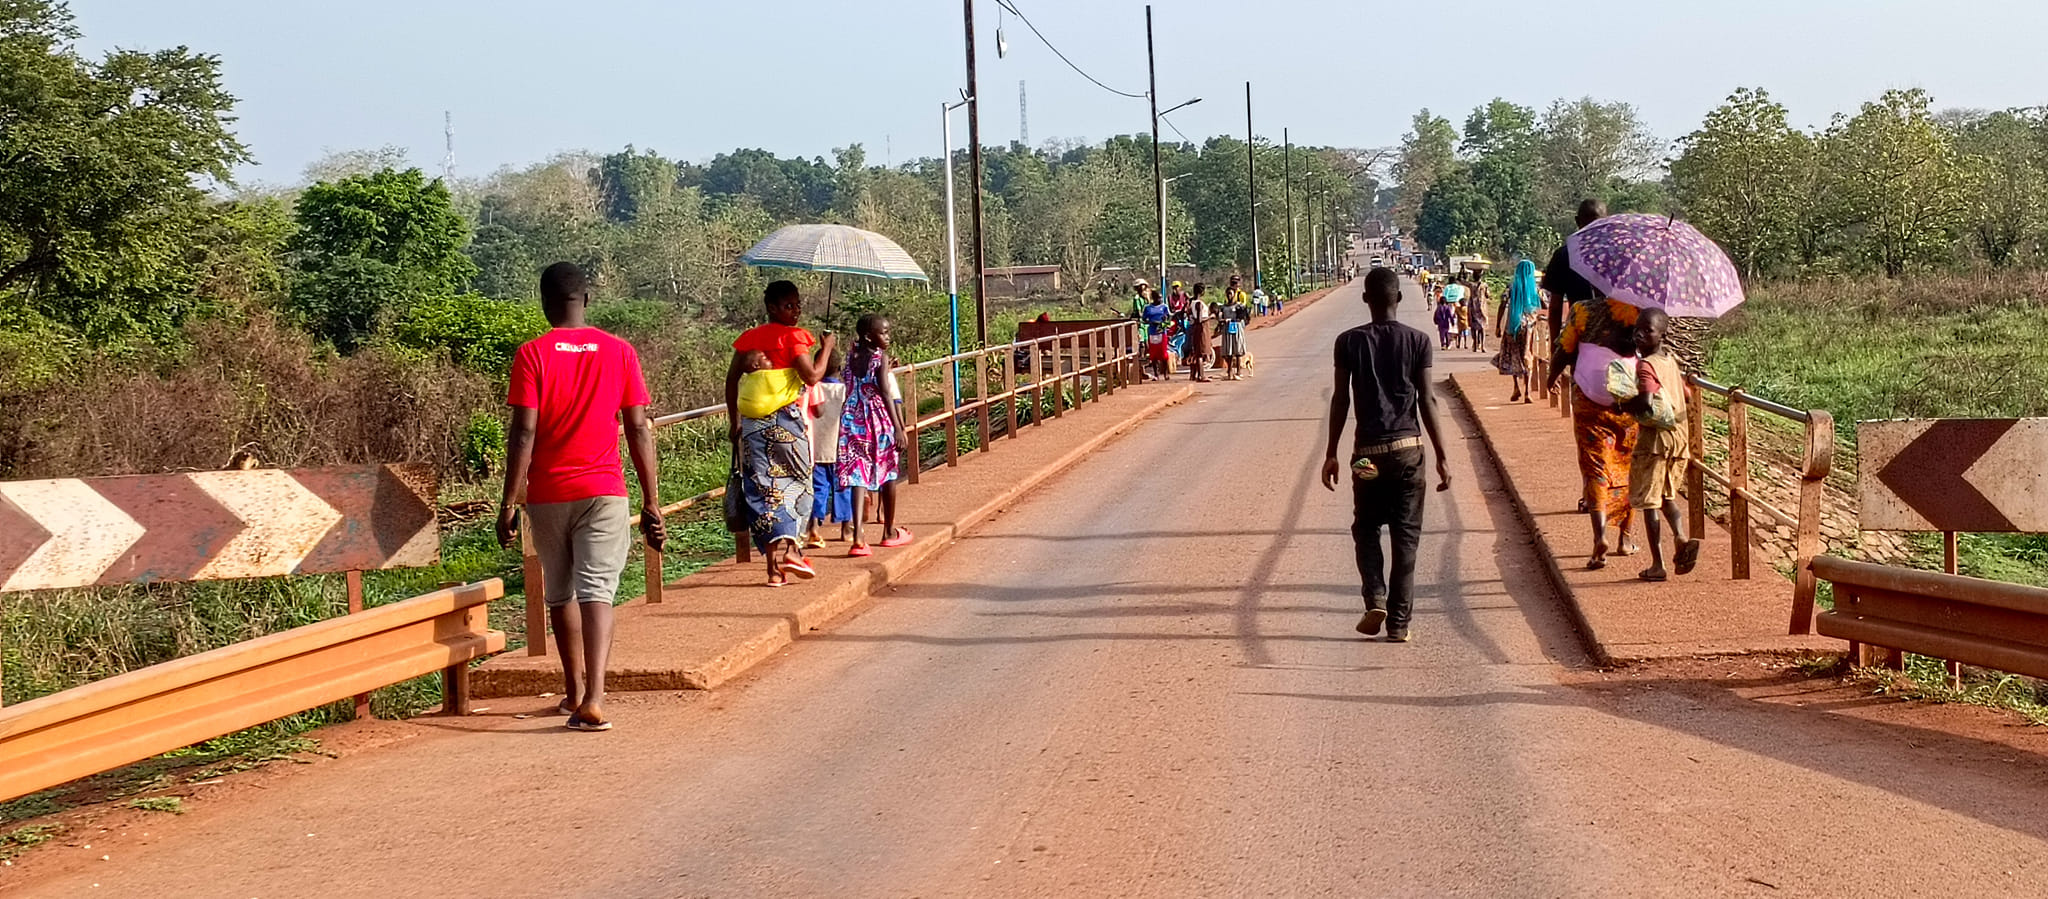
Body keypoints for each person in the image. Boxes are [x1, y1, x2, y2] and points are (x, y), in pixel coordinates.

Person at [497, 261, 665, 733]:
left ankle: (572, 691)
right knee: (598, 592)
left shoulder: (532, 353)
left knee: (560, 592)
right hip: (604, 490)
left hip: (548, 493)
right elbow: (637, 426)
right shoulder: (619, 351)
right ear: (585, 300)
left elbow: (524, 430)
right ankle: (594, 697)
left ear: (545, 303)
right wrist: (651, 500)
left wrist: (509, 501)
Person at [1322, 268, 1451, 643]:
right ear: (1399, 298)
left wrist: (1331, 452)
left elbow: (1340, 400)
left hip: (1367, 455)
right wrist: (1442, 455)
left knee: (1365, 528)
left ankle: (1375, 596)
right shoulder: (1418, 341)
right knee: (1405, 538)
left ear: (1366, 299)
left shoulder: (1348, 342)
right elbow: (1427, 400)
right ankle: (1398, 623)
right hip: (1409, 451)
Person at [726, 280, 835, 587]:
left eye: (798, 305)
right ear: (772, 308)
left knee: (763, 491)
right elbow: (812, 376)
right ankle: (794, 551)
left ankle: (773, 570)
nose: (795, 311)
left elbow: (731, 380)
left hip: (752, 427)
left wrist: (734, 420)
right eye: (789, 305)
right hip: (786, 422)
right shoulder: (794, 338)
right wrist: (826, 348)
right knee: (799, 484)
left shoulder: (749, 339)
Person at [1551, 291, 1643, 570]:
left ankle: (1599, 536)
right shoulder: (1639, 313)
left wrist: (1550, 377)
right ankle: (1624, 540)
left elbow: (1565, 349)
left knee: (1595, 468)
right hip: (1628, 401)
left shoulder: (1582, 310)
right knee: (1627, 466)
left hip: (1588, 400)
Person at [1620, 308, 1702, 582]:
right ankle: (1680, 538)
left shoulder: (1646, 365)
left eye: (1648, 331)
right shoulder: (1670, 360)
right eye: (1637, 330)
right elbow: (1687, 396)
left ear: (1662, 334)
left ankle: (1658, 565)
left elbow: (1644, 402)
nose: (1640, 335)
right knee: (1668, 496)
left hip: (1655, 441)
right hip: (1679, 439)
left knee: (1649, 502)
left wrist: (1622, 403)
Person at [839, 313, 911, 556]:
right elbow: (886, 392)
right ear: (870, 336)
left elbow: (852, 383)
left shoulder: (852, 356)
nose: (888, 337)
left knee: (857, 474)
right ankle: (889, 531)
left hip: (852, 418)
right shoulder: (880, 358)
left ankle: (858, 536)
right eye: (884, 333)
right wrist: (898, 428)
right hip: (877, 418)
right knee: (888, 470)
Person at [1544, 199, 1607, 353]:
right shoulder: (1617, 253)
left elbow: (1555, 307)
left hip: (1580, 336)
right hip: (1614, 339)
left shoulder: (1564, 255)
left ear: (1577, 221)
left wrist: (1555, 344)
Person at [805, 351, 853, 548]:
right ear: (840, 369)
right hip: (840, 448)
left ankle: (814, 527)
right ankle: (846, 528)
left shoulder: (811, 389)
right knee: (843, 488)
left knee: (818, 489)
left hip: (816, 448)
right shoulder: (843, 391)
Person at [1495, 259, 1542, 403]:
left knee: (1513, 355)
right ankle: (1527, 391)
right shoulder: (1535, 288)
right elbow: (1544, 303)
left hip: (1512, 325)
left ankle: (1516, 388)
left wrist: (1498, 324)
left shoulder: (1511, 286)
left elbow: (1502, 304)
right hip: (1528, 326)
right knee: (1527, 355)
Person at [1218, 289, 1250, 380]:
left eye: (1231, 294)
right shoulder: (1223, 307)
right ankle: (1230, 371)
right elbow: (1220, 318)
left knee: (1238, 350)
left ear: (1234, 295)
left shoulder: (1239, 306)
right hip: (1227, 329)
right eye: (1227, 294)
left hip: (1237, 328)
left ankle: (1239, 371)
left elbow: (1244, 317)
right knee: (1229, 352)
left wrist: (1238, 320)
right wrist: (1223, 321)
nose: (1229, 296)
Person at [1185, 283, 1213, 382]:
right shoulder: (1198, 304)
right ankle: (1201, 376)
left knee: (1198, 352)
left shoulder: (1192, 302)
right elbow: (1199, 319)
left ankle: (1196, 375)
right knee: (1200, 353)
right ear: (1202, 292)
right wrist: (1210, 317)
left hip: (1198, 328)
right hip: (1201, 329)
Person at [1142, 287, 1172, 381]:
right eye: (1158, 298)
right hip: (1152, 332)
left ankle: (1166, 373)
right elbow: (1144, 319)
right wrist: (1150, 321)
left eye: (1161, 298)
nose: (1160, 300)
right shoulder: (1148, 308)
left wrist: (1165, 320)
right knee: (1153, 355)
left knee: (1163, 354)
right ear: (1154, 298)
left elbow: (1168, 317)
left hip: (1162, 332)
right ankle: (1156, 374)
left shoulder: (1164, 307)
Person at [1466, 279, 1489, 356]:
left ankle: (1476, 344)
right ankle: (1481, 345)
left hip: (1474, 307)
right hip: (1481, 307)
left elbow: (1461, 280)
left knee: (1474, 327)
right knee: (1481, 327)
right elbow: (1488, 295)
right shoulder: (1484, 285)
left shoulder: (1471, 284)